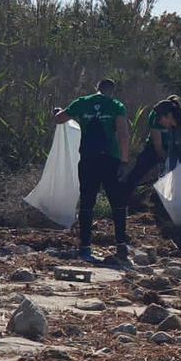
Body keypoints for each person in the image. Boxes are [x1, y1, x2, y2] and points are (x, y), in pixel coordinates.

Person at [53, 79, 131, 263]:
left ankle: (85, 246)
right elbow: (123, 133)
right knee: (117, 202)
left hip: (88, 159)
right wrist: (124, 160)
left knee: (87, 201)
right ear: (112, 91)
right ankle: (121, 244)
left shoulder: (82, 102)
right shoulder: (115, 105)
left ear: (97, 88)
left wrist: (57, 111)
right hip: (109, 159)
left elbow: (60, 119)